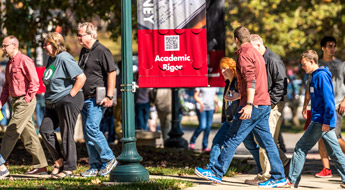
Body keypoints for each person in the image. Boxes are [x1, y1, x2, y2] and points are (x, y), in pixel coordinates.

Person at [194, 26, 286, 188]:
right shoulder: (257, 54)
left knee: (231, 138)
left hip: (253, 105)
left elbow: (251, 80)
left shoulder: (244, 55)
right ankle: (279, 177)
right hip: (263, 104)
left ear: (236, 40)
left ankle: (216, 172)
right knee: (268, 143)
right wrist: (240, 95)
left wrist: (249, 103)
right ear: (248, 38)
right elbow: (256, 80)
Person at [287, 50, 345, 188]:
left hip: (321, 121)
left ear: (312, 62)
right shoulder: (314, 76)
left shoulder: (321, 77)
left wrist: (327, 122)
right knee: (335, 152)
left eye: (304, 64)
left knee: (301, 147)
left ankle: (291, 180)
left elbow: (329, 102)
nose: (302, 67)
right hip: (320, 119)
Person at [243, 34, 289, 184]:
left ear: (258, 46)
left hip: (272, 105)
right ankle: (285, 164)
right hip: (266, 104)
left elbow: (281, 84)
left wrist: (269, 102)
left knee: (265, 140)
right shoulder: (261, 58)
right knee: (268, 140)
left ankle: (266, 176)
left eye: (251, 48)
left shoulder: (273, 60)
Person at [39, 32, 86, 179]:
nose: (44, 47)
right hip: (52, 103)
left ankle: (70, 168)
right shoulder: (51, 59)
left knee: (66, 134)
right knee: (45, 130)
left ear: (55, 44)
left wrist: (70, 95)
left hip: (67, 100)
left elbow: (81, 77)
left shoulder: (64, 57)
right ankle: (59, 161)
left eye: (46, 44)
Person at [0, 35, 48, 174]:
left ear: (14, 46)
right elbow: (6, 87)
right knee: (29, 135)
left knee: (11, 131)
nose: (3, 48)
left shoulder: (24, 60)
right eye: (2, 46)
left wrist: (27, 100)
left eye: (5, 46)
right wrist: (1, 103)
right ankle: (41, 166)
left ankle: (1, 166)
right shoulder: (9, 63)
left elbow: (35, 82)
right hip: (15, 102)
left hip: (25, 101)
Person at [77, 22, 118, 177]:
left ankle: (109, 159)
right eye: (78, 35)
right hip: (85, 98)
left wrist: (109, 96)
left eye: (81, 35)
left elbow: (112, 73)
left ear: (91, 35)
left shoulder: (102, 51)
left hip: (98, 98)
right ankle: (95, 166)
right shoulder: (84, 51)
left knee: (91, 128)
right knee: (88, 134)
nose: (78, 38)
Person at [305, 36, 345, 178]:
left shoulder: (341, 65)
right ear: (323, 48)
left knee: (335, 137)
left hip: (336, 106)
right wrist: (305, 105)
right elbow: (309, 86)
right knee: (322, 137)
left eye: (334, 46)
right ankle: (326, 169)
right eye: (329, 46)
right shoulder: (317, 64)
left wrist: (344, 101)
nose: (333, 49)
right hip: (319, 107)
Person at [206, 57, 243, 168]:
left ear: (232, 69)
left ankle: (263, 169)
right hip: (229, 120)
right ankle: (211, 168)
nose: (222, 72)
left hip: (238, 120)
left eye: (225, 69)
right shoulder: (228, 83)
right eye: (221, 69)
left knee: (251, 146)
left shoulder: (238, 83)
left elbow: (246, 97)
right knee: (217, 141)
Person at [190, 87, 219, 152]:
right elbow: (195, 96)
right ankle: (192, 141)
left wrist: (217, 104)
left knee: (208, 127)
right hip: (201, 107)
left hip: (210, 108)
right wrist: (201, 103)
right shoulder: (200, 84)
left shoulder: (214, 85)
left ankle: (205, 146)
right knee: (202, 126)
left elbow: (214, 96)